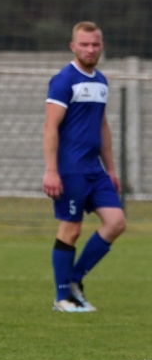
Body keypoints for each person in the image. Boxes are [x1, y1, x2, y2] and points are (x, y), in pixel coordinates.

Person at [43, 22, 126, 312]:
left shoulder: (101, 81)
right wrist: (51, 170)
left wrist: (111, 169)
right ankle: (62, 298)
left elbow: (102, 126)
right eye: (84, 44)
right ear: (73, 47)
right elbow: (50, 127)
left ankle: (74, 280)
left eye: (95, 44)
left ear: (101, 46)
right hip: (70, 169)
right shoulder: (64, 80)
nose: (90, 49)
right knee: (71, 229)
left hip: (95, 170)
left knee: (116, 222)